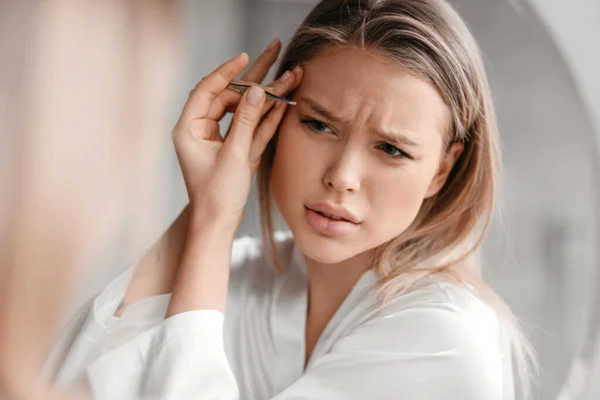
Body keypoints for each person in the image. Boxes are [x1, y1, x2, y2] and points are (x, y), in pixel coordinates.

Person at [50, 0, 537, 399]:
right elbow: (62, 382)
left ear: (443, 169)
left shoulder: (446, 340)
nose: (342, 177)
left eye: (391, 149)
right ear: (272, 119)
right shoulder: (234, 272)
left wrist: (216, 221)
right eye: (319, 124)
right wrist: (208, 204)